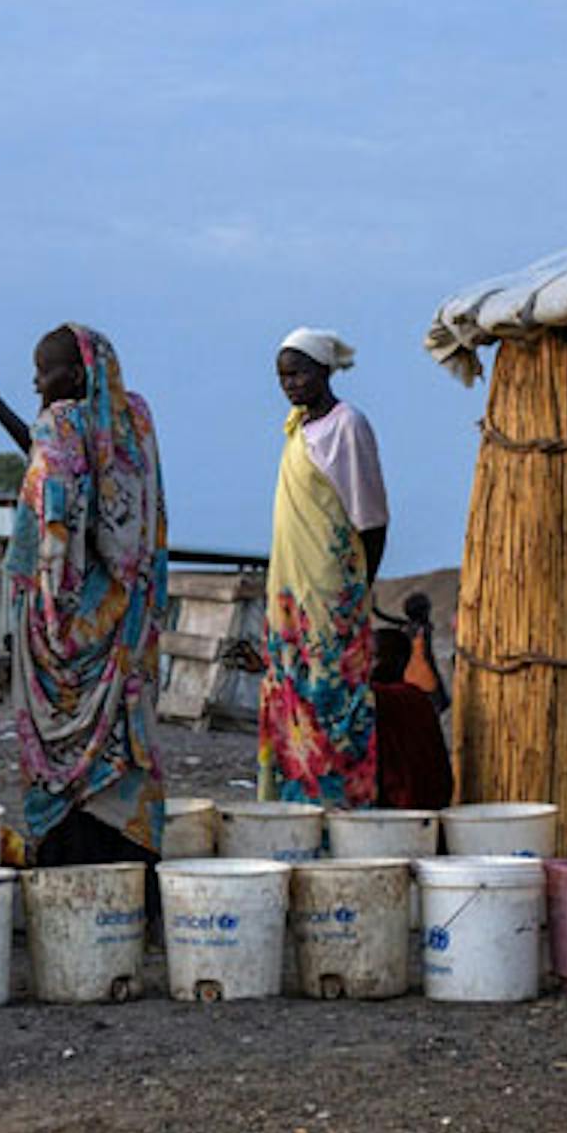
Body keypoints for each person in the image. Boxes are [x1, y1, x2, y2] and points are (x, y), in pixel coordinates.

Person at [0, 326, 168, 865]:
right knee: (121, 738)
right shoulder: (132, 419)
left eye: (43, 371)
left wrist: (47, 600)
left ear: (74, 374)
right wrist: (0, 411)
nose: (35, 381)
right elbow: (77, 469)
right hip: (124, 622)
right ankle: (132, 872)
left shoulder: (59, 424)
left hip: (63, 624)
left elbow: (55, 486)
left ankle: (68, 866)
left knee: (61, 751)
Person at [263, 327, 389, 808]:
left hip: (331, 592)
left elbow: (372, 517)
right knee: (294, 699)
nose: (290, 384)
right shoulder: (297, 427)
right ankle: (295, 807)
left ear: (323, 370)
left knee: (332, 698)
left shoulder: (347, 425)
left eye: (298, 373)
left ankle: (340, 808)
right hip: (291, 593)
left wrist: (359, 588)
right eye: (282, 376)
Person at [370, 622, 454, 812]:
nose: (367, 666)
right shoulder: (417, 697)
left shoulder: (388, 698)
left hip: (401, 808)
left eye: (374, 657)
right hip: (428, 807)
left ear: (400, 661)